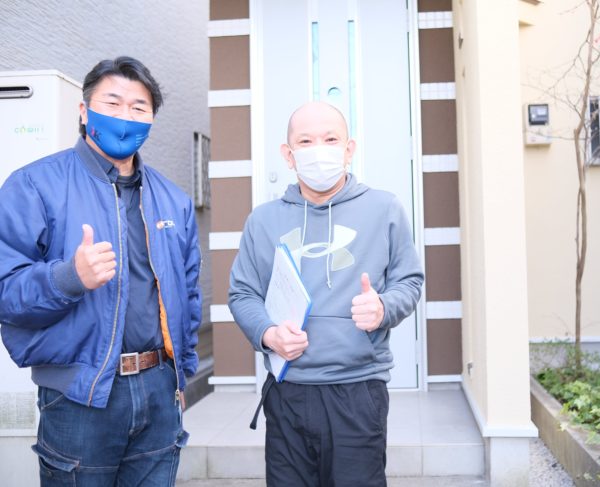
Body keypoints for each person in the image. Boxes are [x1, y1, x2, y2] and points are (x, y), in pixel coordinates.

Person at [0, 56, 202, 485]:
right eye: (112, 103)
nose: (125, 116)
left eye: (138, 107)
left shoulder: (174, 200)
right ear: (84, 111)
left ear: (151, 119)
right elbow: (5, 292)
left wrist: (181, 376)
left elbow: (187, 295)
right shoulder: (34, 185)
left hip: (160, 388)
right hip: (79, 395)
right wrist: (68, 278)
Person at [228, 101, 424, 486]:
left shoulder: (384, 208)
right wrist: (268, 333)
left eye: (330, 139)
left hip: (358, 390)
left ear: (349, 149)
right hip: (289, 390)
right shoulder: (263, 220)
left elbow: (410, 281)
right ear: (288, 155)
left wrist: (383, 307)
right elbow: (242, 293)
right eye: (305, 141)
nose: (319, 149)